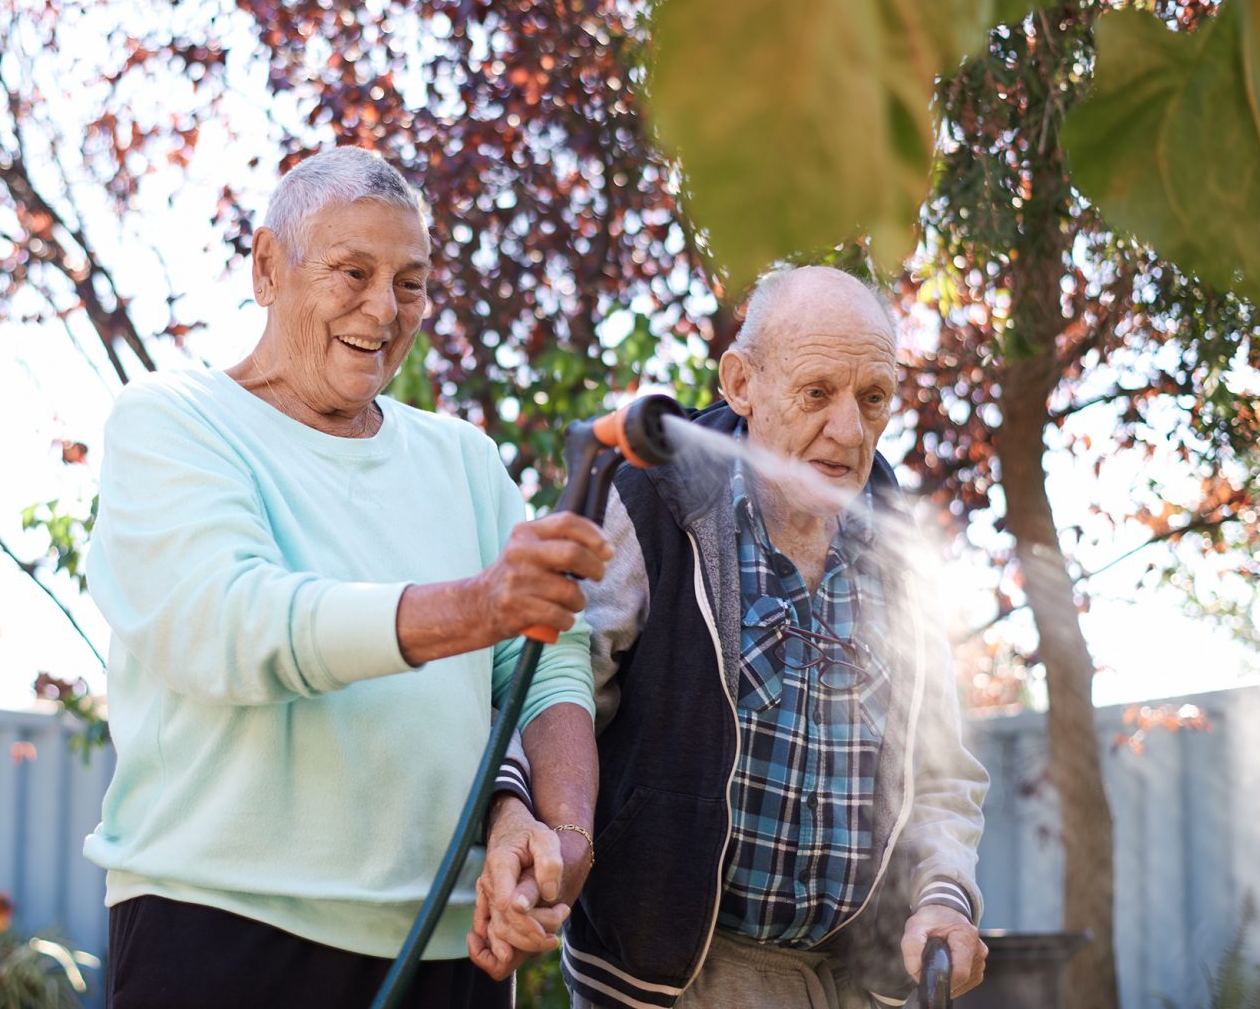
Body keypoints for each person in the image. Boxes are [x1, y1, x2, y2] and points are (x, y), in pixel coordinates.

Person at [84, 146, 601, 1008]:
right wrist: (478, 607)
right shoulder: (173, 423)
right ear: (266, 267)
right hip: (221, 930)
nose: (383, 309)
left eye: (410, 282)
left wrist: (560, 837)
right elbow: (234, 623)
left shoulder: (464, 462)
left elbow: (549, 657)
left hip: (450, 947)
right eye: (351, 272)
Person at [478, 267, 991, 1008]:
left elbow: (942, 774)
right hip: (668, 982)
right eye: (817, 393)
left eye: (872, 398)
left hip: (849, 987)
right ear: (741, 383)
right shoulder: (650, 501)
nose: (849, 431)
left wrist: (944, 897)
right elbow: (554, 687)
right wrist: (517, 815)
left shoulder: (902, 550)